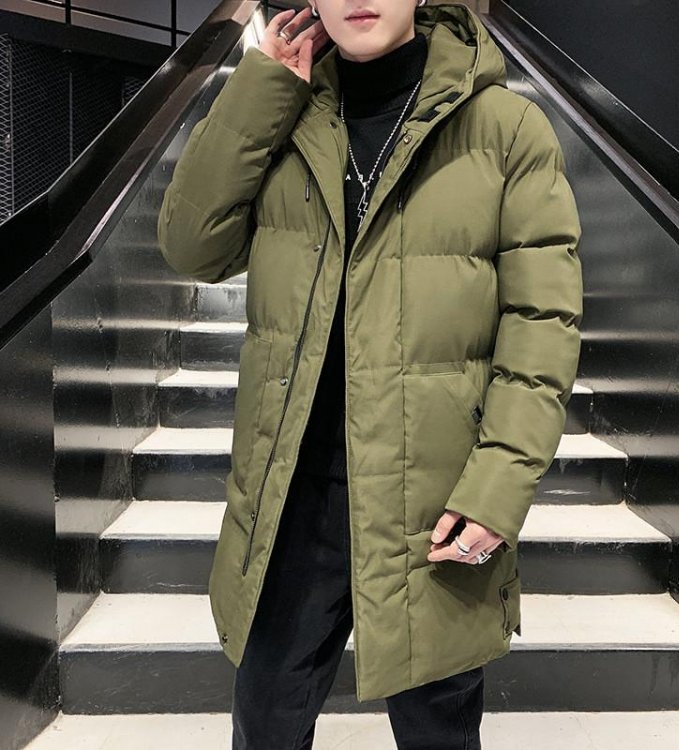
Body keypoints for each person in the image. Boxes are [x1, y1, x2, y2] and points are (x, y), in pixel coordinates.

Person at [157, 1, 583, 748]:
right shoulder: (285, 113)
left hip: (435, 501)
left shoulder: (506, 129)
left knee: (437, 732)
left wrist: (496, 489)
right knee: (266, 723)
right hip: (295, 498)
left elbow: (541, 326)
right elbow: (192, 247)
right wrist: (260, 89)